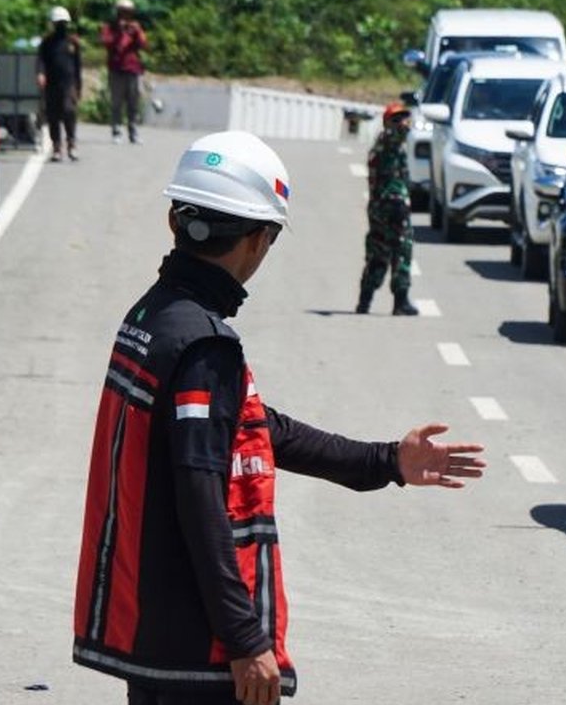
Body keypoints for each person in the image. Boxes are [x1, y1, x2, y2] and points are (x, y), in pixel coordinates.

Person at [73, 130, 486, 705]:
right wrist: (246, 639)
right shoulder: (203, 344)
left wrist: (385, 460)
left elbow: (256, 427)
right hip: (199, 647)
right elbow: (200, 497)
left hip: (155, 633)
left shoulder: (155, 315)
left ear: (177, 223)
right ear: (257, 239)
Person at [356, 102, 418, 316]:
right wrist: (401, 126)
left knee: (380, 252)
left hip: (383, 207)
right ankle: (398, 302)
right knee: (398, 251)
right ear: (388, 123)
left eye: (404, 118)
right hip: (391, 206)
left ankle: (366, 301)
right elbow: (399, 133)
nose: (403, 123)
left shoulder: (389, 144)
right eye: (397, 119)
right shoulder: (389, 142)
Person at [36, 6, 81, 162]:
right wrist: (41, 73)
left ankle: (72, 144)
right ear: (53, 24)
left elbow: (77, 65)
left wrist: (78, 87)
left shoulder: (72, 42)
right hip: (52, 84)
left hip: (69, 84)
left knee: (69, 112)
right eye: (58, 23)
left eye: (63, 23)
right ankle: (56, 147)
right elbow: (41, 60)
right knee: (53, 115)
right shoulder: (47, 42)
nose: (61, 25)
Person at [100, 0, 147, 144]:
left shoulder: (135, 27)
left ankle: (133, 132)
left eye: (128, 12)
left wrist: (136, 32)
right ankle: (116, 131)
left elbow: (143, 44)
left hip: (133, 69)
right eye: (123, 12)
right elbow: (106, 42)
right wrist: (120, 33)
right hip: (116, 69)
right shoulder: (110, 27)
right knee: (116, 103)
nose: (125, 15)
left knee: (133, 102)